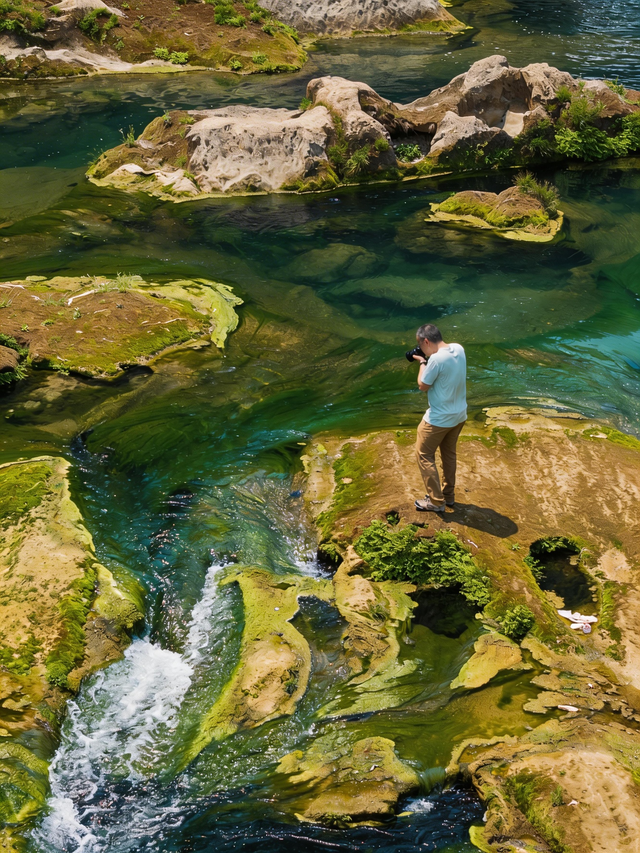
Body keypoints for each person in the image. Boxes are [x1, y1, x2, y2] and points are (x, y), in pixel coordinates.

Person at [412, 323, 467, 513]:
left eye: (422, 345)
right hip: (459, 415)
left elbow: (423, 385)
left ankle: (436, 502)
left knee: (424, 455)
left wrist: (421, 362)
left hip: (439, 419)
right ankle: (449, 496)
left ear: (426, 341)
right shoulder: (459, 349)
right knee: (448, 454)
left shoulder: (435, 359)